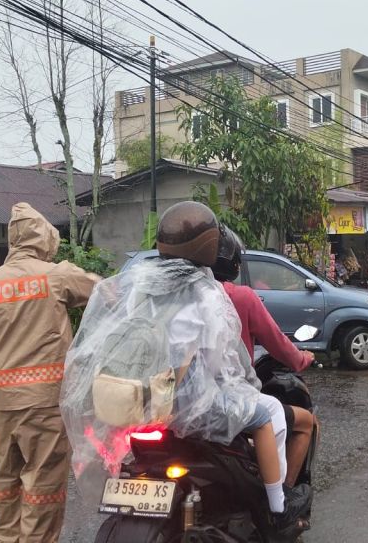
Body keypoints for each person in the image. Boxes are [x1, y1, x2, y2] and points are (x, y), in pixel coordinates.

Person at [60, 202, 308, 533]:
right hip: (191, 405)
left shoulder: (140, 282)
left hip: (145, 399)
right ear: (209, 245)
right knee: (269, 414)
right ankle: (278, 508)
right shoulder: (206, 292)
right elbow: (221, 361)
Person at [0, 203, 101, 543]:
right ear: (44, 238)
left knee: (7, 483)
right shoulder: (56, 275)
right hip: (45, 404)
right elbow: (105, 292)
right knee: (43, 486)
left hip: (6, 404)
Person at [212, 226, 317, 488]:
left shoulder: (175, 297)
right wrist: (302, 359)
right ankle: (283, 497)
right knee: (306, 423)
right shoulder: (240, 296)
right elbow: (278, 343)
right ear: (233, 263)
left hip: (175, 404)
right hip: (228, 399)